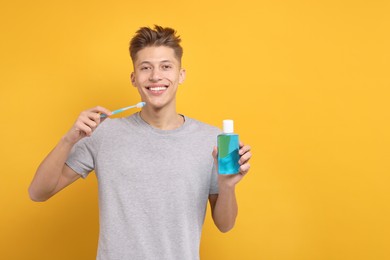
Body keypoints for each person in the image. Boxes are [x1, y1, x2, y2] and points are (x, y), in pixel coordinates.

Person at [29, 25, 252, 260]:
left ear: (181, 74)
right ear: (134, 78)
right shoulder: (104, 134)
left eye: (166, 66)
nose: (156, 76)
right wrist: (68, 139)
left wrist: (227, 186)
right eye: (146, 68)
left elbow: (225, 225)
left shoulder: (211, 141)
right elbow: (38, 193)